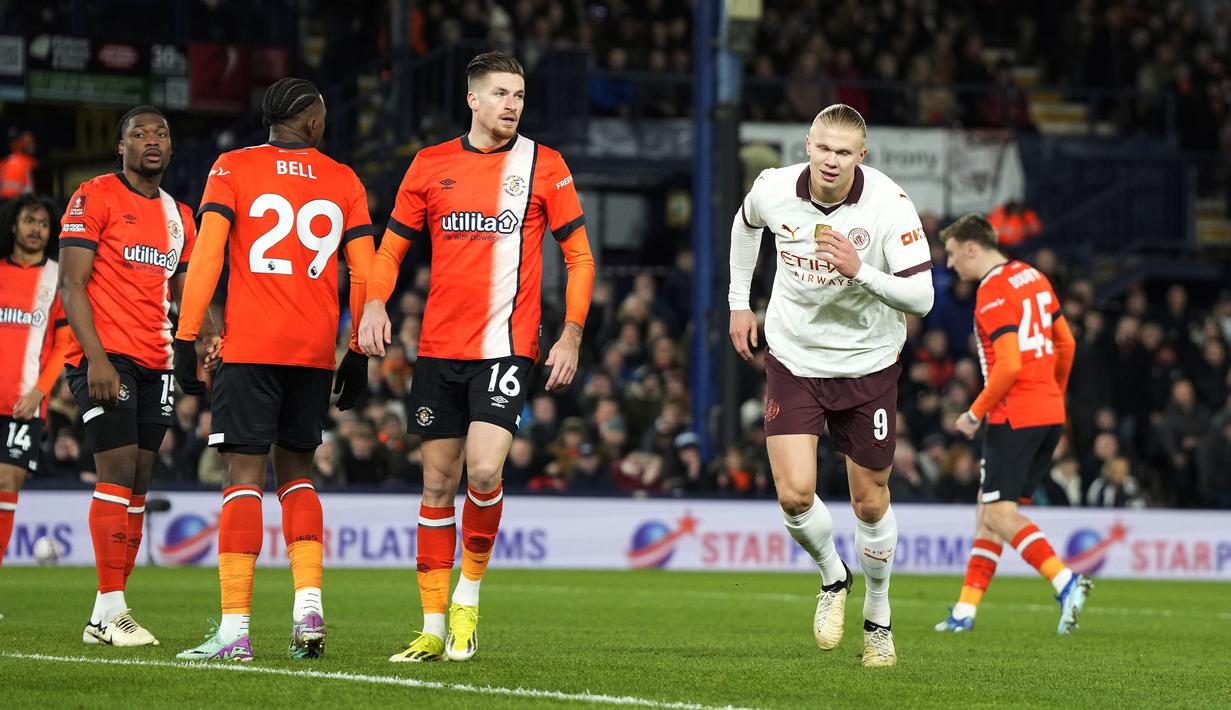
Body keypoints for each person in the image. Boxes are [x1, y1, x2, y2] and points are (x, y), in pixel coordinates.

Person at [359, 50, 595, 663]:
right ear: (472, 99)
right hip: (438, 349)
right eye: (500, 93)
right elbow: (390, 249)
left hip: (505, 349)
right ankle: (432, 626)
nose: (512, 104)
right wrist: (375, 303)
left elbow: (580, 258)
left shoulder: (544, 165)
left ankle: (467, 602)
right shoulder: (429, 165)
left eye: (518, 94)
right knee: (437, 485)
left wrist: (569, 334)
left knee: (483, 472)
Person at [172, 78, 375, 662]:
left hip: (251, 347)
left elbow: (207, 254)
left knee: (241, 476)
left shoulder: (232, 167)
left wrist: (187, 336)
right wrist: (357, 349)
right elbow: (362, 274)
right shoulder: (344, 180)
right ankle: (308, 609)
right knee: (298, 475)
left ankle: (235, 631)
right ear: (310, 123)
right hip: (311, 352)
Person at [728, 104, 934, 668]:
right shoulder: (773, 188)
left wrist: (859, 270)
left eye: (843, 152)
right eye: (822, 148)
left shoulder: (889, 205)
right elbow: (744, 227)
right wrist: (738, 303)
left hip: (867, 367)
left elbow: (924, 297)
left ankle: (879, 615)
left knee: (869, 503)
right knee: (794, 495)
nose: (830, 160)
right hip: (793, 358)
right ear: (808, 145)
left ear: (860, 157)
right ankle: (832, 574)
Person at [59, 106, 197, 646]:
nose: (151, 140)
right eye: (138, 134)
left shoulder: (178, 215)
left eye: (160, 132)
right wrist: (95, 359)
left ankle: (104, 612)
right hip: (105, 358)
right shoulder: (93, 195)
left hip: (156, 360)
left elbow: (186, 294)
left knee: (138, 482)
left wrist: (206, 336)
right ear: (121, 147)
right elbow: (72, 285)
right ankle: (113, 608)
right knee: (115, 472)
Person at [935, 213, 1091, 635]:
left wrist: (974, 412)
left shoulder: (992, 292)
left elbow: (1007, 364)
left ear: (971, 247)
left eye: (951, 255)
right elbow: (1067, 343)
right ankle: (965, 612)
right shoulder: (1032, 276)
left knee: (1001, 515)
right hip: (1048, 412)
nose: (950, 265)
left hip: (1014, 414)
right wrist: (1054, 394)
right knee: (989, 512)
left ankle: (1065, 580)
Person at [0, 194, 70, 616]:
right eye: (29, 221)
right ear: (14, 225)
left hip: (24, 405)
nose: (36, 229)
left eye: (43, 224)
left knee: (8, 484)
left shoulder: (58, 278)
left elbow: (63, 342)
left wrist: (41, 390)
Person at [0, 130, 36, 200]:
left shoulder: (26, 162)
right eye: (27, 141)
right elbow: (9, 195)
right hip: (16, 207)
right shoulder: (15, 163)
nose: (31, 144)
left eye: (32, 141)